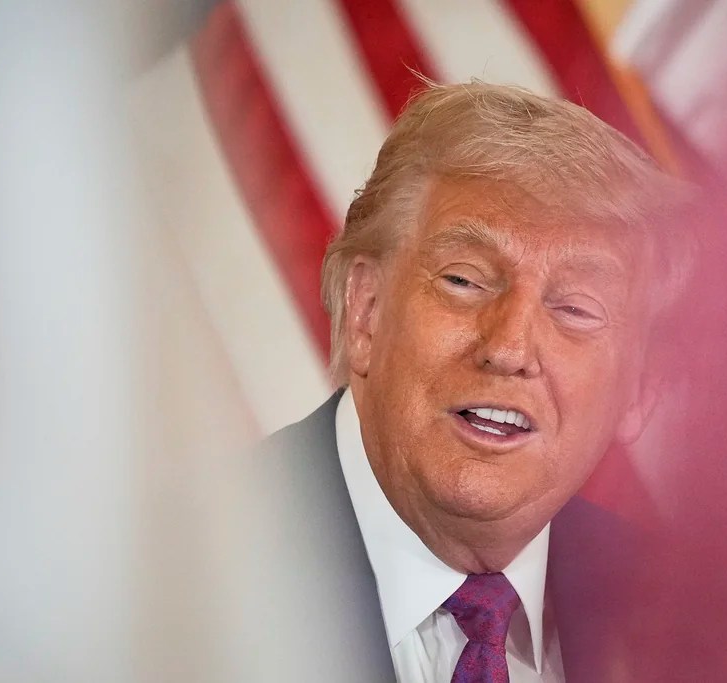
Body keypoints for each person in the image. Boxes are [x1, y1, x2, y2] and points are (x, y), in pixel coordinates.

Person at [261, 81, 692, 683]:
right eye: (464, 281)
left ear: (641, 390)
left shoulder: (694, 629)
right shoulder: (158, 586)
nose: (510, 349)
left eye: (575, 310)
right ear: (366, 309)